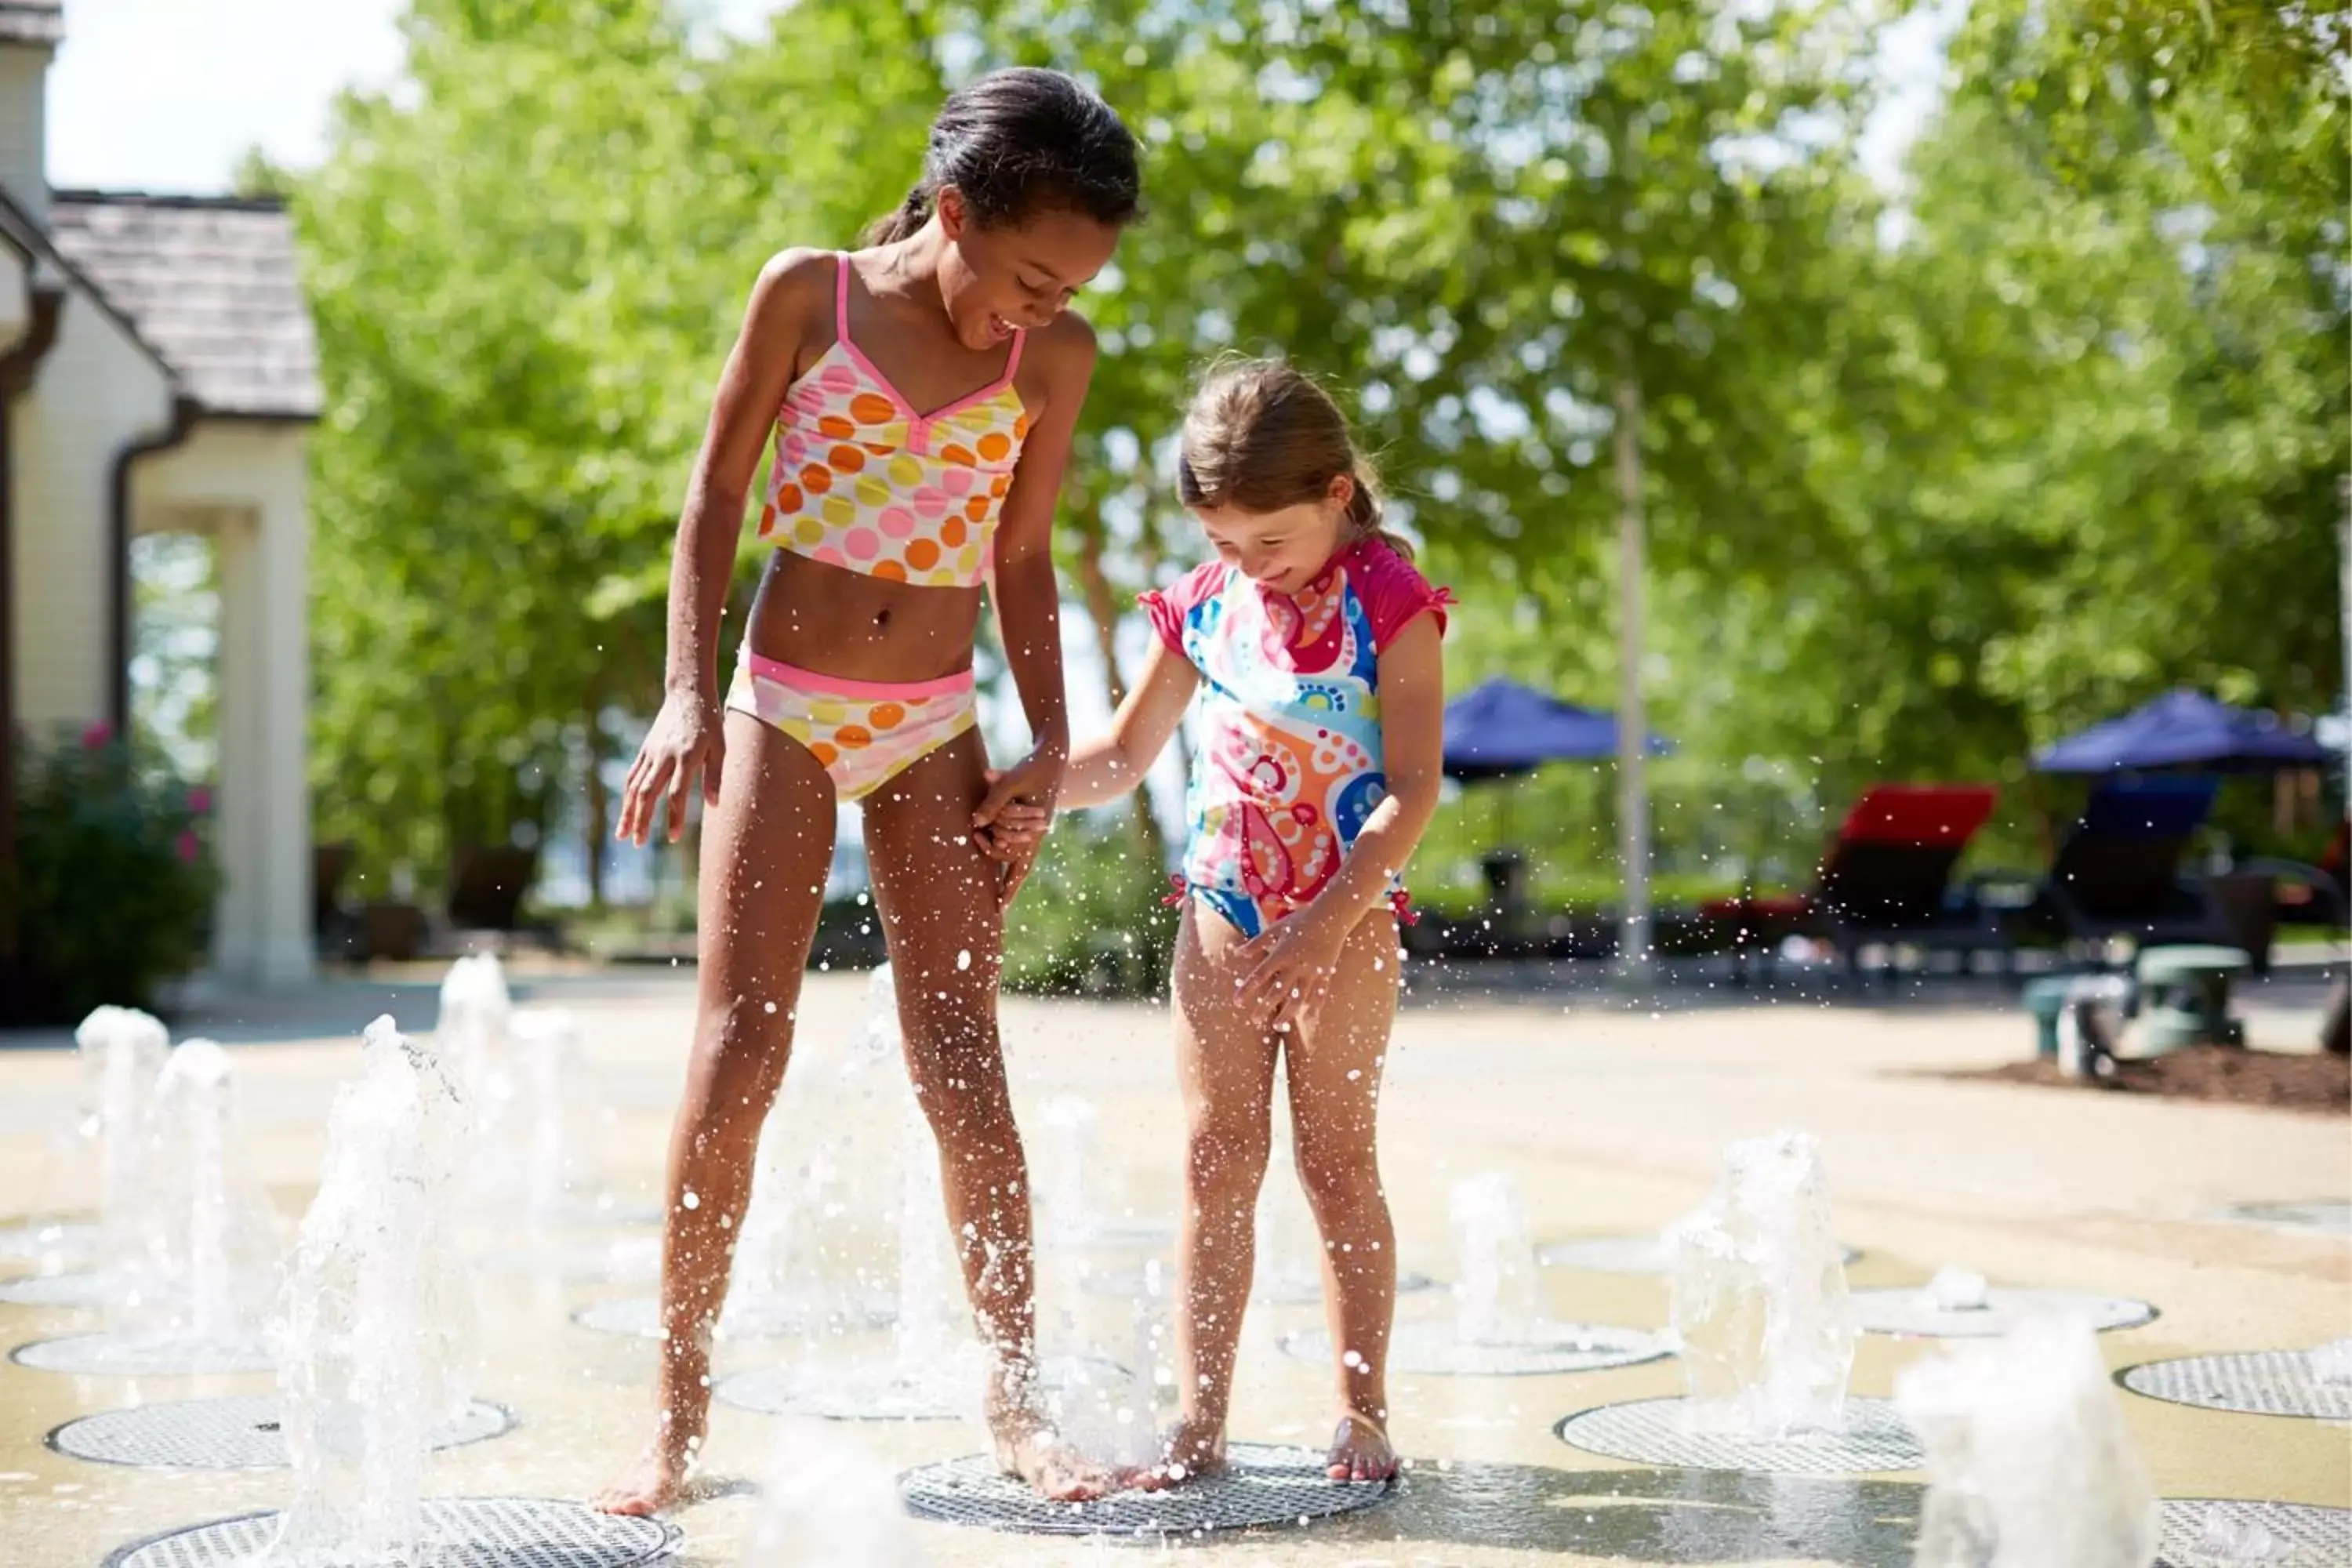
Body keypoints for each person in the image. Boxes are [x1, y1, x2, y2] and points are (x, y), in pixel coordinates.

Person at [594, 67, 1140, 1515]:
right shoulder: (811, 296)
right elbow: (715, 496)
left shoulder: (1055, 357)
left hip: (933, 720)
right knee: (739, 1052)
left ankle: (1019, 1402)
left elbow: (1022, 557)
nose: (1038, 309)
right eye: (1025, 275)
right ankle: (675, 1414)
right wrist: (684, 690)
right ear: (954, 210)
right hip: (784, 703)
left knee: (964, 1056)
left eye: (1071, 286)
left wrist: (1047, 747)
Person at [999, 358, 1448, 1486]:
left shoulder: (1388, 600)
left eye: (1270, 542)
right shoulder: (1205, 604)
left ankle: (1362, 1410)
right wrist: (1025, 787)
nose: (1247, 565)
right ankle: (1201, 1421)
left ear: (1339, 495)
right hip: (1224, 911)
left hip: (1342, 916)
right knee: (1214, 1160)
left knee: (1338, 1163)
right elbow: (1122, 757)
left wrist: (1328, 924)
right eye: (1225, 543)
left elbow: (1415, 790)